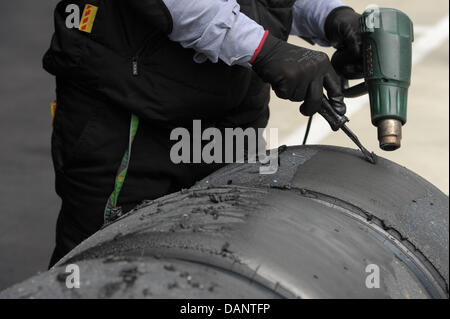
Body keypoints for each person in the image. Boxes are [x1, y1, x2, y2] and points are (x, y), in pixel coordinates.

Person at [45, 0, 363, 266]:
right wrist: (263, 49)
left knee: (216, 267)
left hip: (231, 116)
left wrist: (329, 16)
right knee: (106, 267)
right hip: (133, 113)